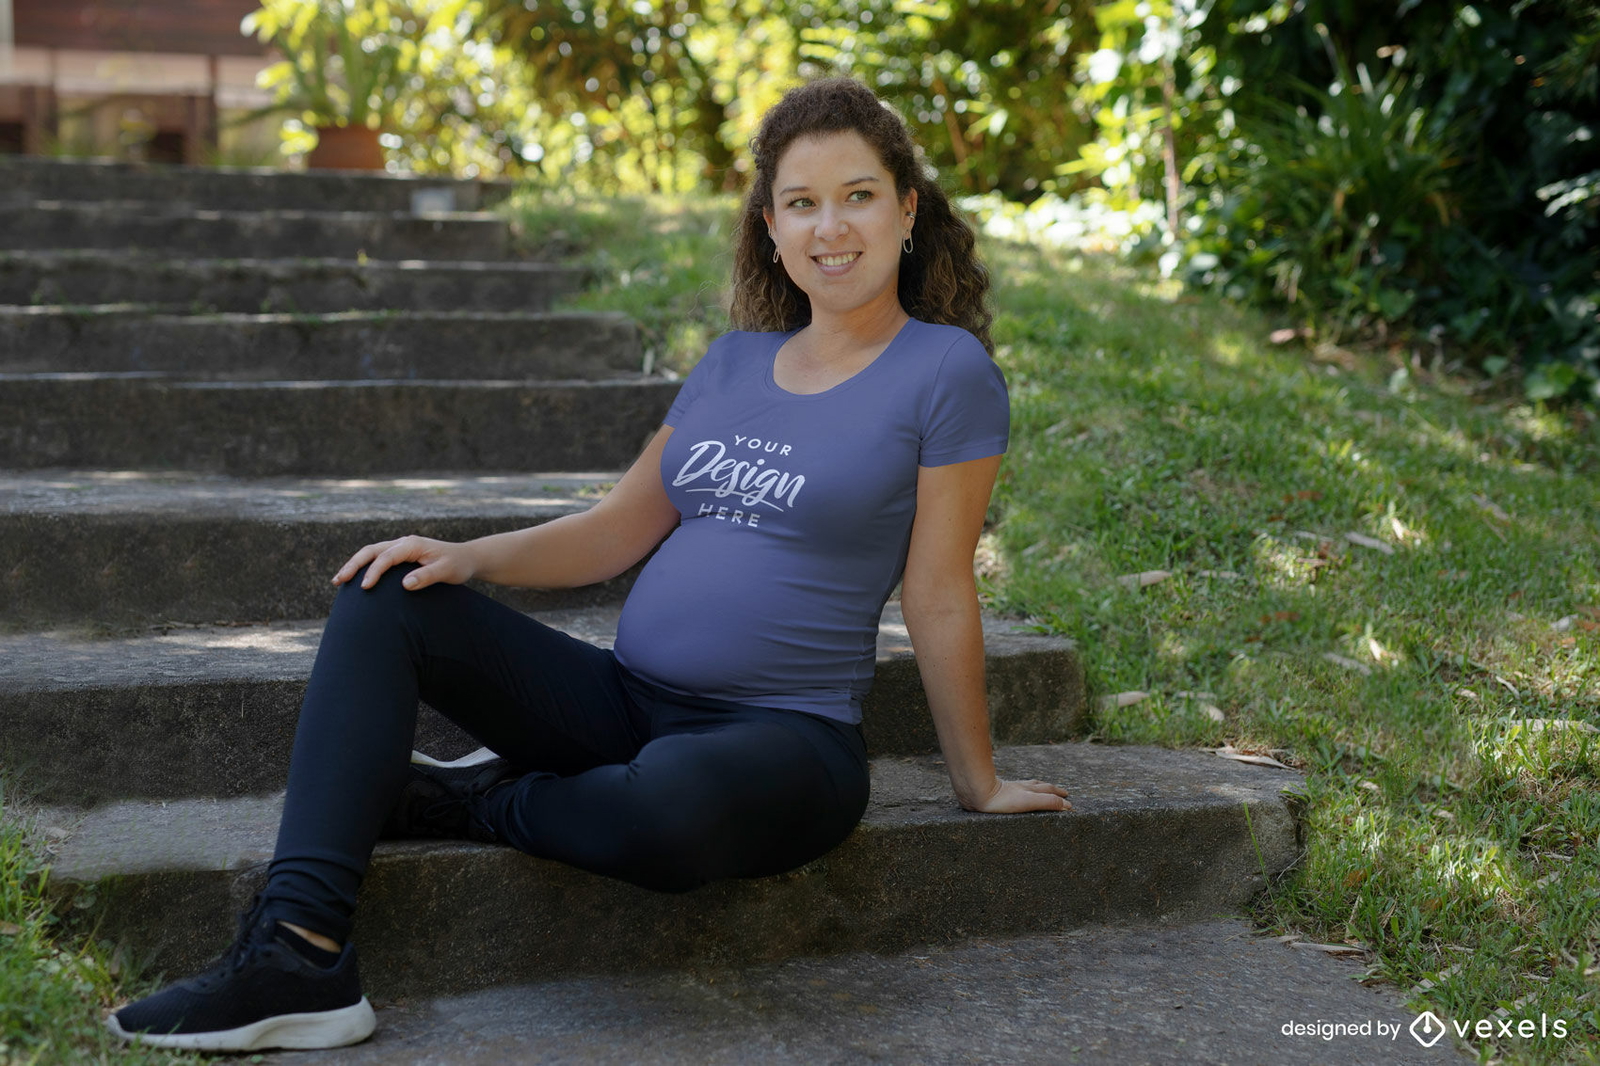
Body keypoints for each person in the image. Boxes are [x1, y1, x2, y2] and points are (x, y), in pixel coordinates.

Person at [107, 75, 1071, 1052]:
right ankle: (296, 950)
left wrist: (976, 781)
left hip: (783, 742)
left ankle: (478, 797)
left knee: (668, 806)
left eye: (859, 194)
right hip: (621, 702)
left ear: (907, 211)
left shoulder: (945, 372)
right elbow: (617, 527)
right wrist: (467, 554)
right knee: (387, 592)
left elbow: (939, 587)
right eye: (801, 201)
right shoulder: (733, 363)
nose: (832, 225)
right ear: (771, 228)